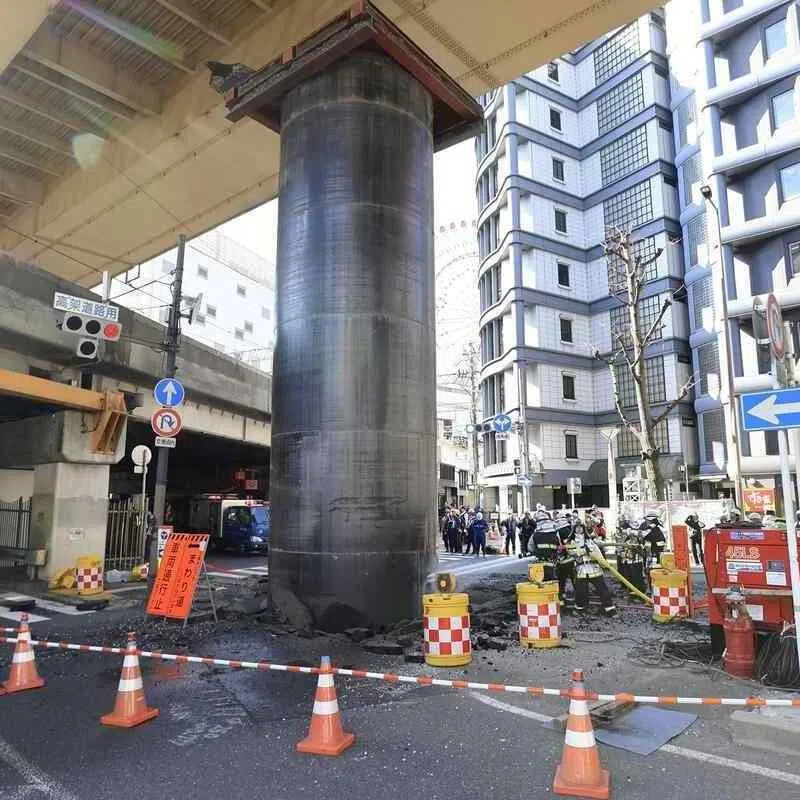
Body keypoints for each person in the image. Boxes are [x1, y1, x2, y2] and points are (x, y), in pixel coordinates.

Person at [571, 523, 616, 616]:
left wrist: (602, 562)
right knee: (581, 591)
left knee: (602, 589)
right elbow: (571, 552)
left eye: (581, 527)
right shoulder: (571, 542)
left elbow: (597, 551)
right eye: (577, 527)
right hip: (581, 569)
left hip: (594, 568)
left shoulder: (590, 540)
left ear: (583, 529)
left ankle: (610, 610)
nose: (579, 529)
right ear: (574, 529)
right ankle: (579, 609)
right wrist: (584, 551)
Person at [555, 517, 576, 606]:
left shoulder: (558, 532)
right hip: (571, 559)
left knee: (561, 581)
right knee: (574, 579)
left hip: (562, 561)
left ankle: (561, 599)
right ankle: (579, 598)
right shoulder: (568, 531)